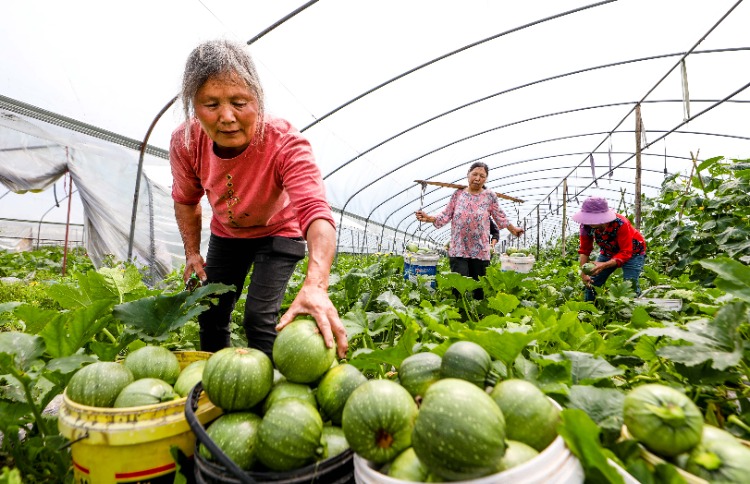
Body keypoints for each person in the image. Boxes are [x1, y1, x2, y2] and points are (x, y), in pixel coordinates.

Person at [170, 39, 347, 359]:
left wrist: (317, 284)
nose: (226, 116)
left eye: (239, 102)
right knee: (210, 312)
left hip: (280, 232)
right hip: (228, 233)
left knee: (259, 319)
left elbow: (315, 210)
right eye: (211, 105)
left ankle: (270, 397)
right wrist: (192, 253)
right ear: (194, 107)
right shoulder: (185, 141)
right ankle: (215, 385)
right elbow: (186, 199)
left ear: (258, 100)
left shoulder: (284, 142)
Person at [415, 162, 524, 298]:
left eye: (482, 176)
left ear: (486, 179)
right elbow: (446, 214)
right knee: (459, 289)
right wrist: (429, 218)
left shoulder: (489, 196)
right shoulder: (458, 194)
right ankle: (460, 315)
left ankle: (478, 315)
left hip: (480, 250)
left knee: (479, 289)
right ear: (468, 175)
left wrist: (513, 230)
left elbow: (500, 216)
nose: (478, 178)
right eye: (475, 174)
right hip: (458, 248)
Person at [572, 197, 647, 302]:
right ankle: (587, 312)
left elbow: (626, 252)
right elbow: (585, 249)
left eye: (593, 218)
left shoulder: (621, 223)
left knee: (631, 286)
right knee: (592, 282)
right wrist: (583, 274)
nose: (590, 222)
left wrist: (603, 265)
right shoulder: (586, 226)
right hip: (608, 252)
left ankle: (633, 312)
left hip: (634, 252)